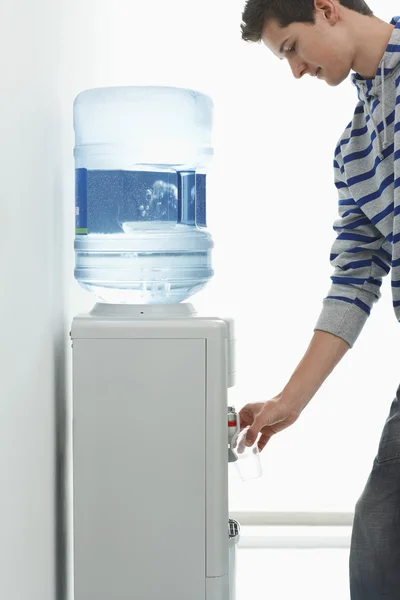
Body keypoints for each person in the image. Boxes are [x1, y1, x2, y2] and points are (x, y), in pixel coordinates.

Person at [238, 1, 400, 598]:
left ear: (326, 9)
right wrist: (290, 400)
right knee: (383, 536)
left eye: (291, 48)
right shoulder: (355, 152)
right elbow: (355, 281)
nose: (296, 71)